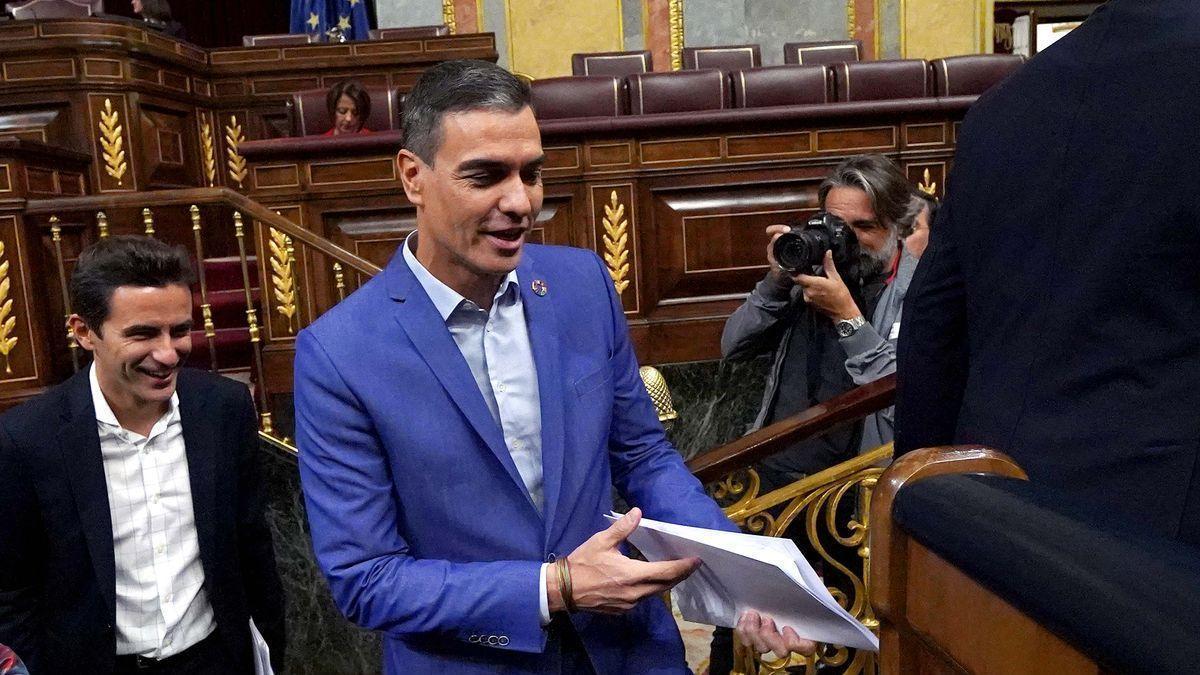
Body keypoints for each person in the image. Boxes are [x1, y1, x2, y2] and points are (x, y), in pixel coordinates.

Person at [294, 59, 814, 674]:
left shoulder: (582, 283)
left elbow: (643, 456)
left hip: (629, 653)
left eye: (531, 173)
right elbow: (367, 580)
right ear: (413, 176)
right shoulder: (339, 353)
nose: (520, 202)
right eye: (485, 176)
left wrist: (746, 577)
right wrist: (555, 586)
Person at [895, 0, 1200, 545]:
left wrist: (919, 509)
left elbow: (932, 325)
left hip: (1000, 504)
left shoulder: (1000, 106)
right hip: (1165, 534)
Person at [0, 236, 285, 673]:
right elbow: (11, 590)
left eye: (180, 330)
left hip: (215, 660)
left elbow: (252, 546)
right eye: (144, 334)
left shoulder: (223, 409)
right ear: (83, 332)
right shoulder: (27, 438)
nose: (168, 353)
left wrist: (267, 650)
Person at [722, 154, 927, 489]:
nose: (847, 239)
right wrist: (777, 281)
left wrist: (847, 316)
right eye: (835, 226)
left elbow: (905, 400)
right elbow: (733, 347)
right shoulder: (808, 272)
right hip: (773, 472)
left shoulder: (919, 292)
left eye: (863, 227)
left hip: (855, 485)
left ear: (898, 229)